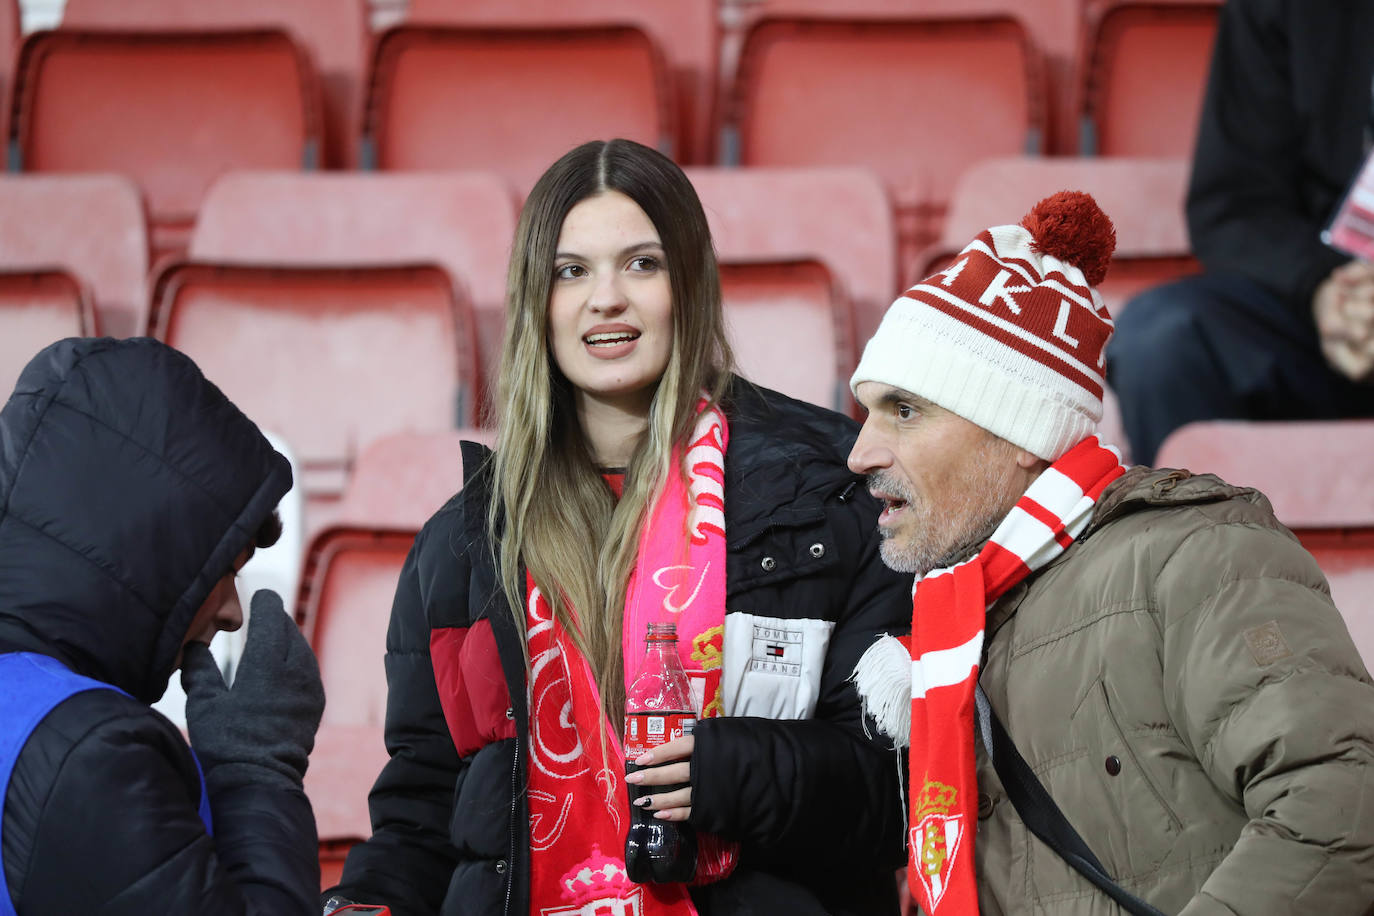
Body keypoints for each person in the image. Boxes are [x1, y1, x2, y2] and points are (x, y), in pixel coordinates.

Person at [322, 138, 911, 916]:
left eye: (642, 264)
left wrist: (740, 771)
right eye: (572, 271)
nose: (607, 299)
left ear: (690, 284)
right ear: (538, 299)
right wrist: (368, 905)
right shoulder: (460, 545)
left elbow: (902, 791)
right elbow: (426, 811)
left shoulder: (830, 494)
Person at [847, 191, 1374, 914]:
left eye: (904, 410)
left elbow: (1340, 810)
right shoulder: (959, 621)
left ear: (1019, 433)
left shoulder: (1198, 556)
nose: (859, 452)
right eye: (867, 411)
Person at [0, 337, 326, 915]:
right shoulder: (89, 755)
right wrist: (258, 771)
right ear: (147, 549)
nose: (232, 612)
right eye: (224, 571)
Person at [1106, 0, 1374, 466]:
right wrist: (1325, 290)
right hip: (1329, 314)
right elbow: (1234, 205)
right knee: (1161, 339)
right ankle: (1203, 538)